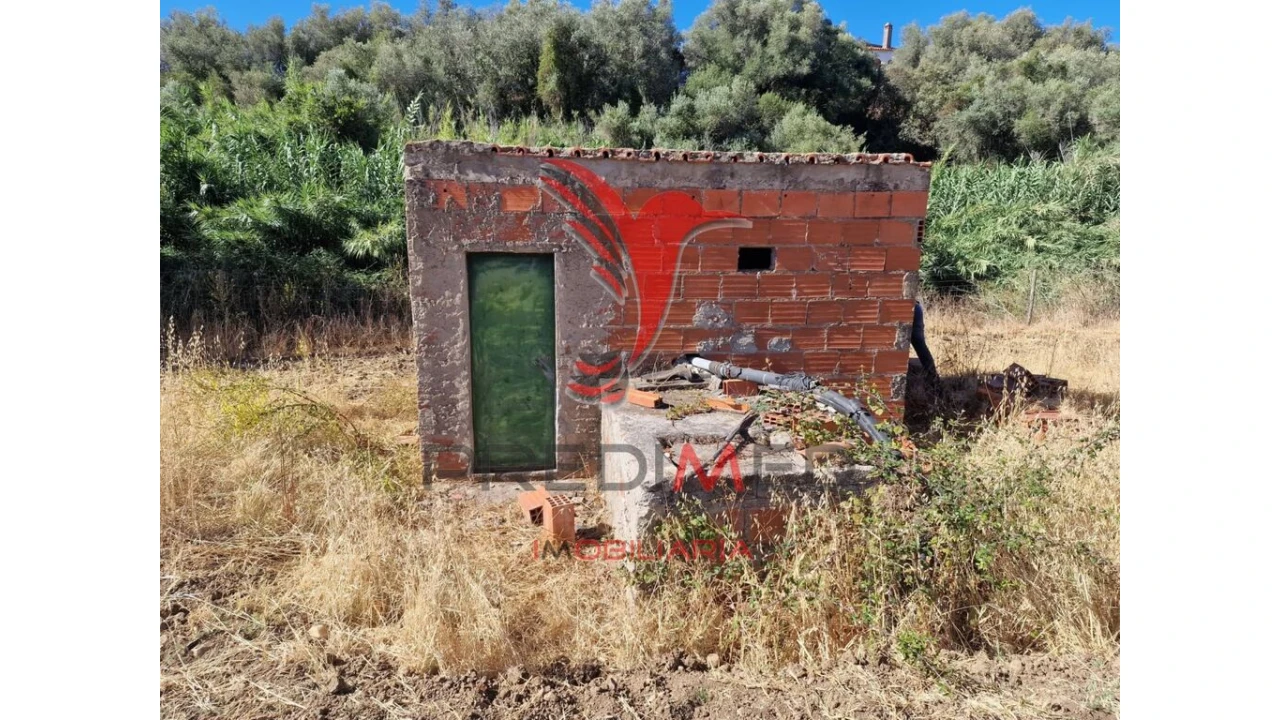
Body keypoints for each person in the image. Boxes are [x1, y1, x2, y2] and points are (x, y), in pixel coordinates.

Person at [911, 300, 940, 382]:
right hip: (914, 307)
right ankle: (933, 379)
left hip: (909, 308)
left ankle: (933, 379)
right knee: (920, 345)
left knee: (919, 343)